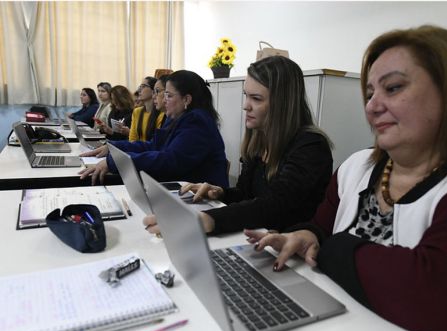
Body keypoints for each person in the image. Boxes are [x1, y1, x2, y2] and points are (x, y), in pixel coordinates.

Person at [243, 25, 447, 331]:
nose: (372, 105)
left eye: (394, 87)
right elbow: (321, 227)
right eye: (369, 93)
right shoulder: (355, 168)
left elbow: (434, 295)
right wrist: (304, 235)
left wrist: (332, 248)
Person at [145, 56, 333, 235]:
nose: (246, 105)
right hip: (258, 239)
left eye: (256, 98)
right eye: (246, 96)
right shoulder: (259, 140)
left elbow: (275, 205)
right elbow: (246, 194)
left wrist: (207, 219)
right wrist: (220, 193)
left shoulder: (311, 146)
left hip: (288, 253)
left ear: (283, 103)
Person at [78, 70, 229, 188]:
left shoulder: (197, 121)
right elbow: (154, 146)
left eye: (168, 95)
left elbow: (169, 161)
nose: (163, 100)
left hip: (204, 200)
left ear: (186, 100)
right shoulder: (177, 117)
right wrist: (113, 148)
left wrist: (116, 162)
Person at [129, 76, 162, 142]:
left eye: (143, 86)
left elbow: (156, 143)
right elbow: (132, 138)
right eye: (140, 87)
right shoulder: (137, 111)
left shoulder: (161, 114)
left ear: (153, 90)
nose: (139, 90)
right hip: (137, 149)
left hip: (150, 150)